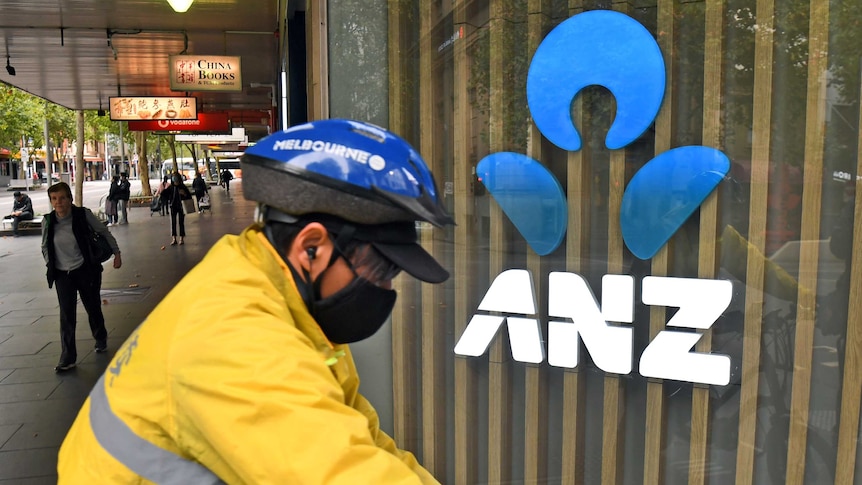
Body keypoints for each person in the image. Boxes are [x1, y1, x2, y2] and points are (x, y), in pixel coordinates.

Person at [57, 119, 454, 483]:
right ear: (311, 248)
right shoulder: (234, 337)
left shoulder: (280, 295)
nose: (386, 290)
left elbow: (360, 440)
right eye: (380, 271)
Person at [41, 182, 122, 372]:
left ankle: (100, 336)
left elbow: (104, 232)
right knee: (66, 315)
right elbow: (45, 245)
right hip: (62, 274)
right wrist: (49, 263)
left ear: (69, 198)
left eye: (62, 198)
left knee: (92, 307)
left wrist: (117, 253)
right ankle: (67, 357)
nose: (58, 202)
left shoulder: (83, 215)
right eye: (54, 199)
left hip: (86, 270)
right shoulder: (48, 221)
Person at [162, 173, 192, 245]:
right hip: (173, 206)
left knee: (181, 222)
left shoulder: (182, 187)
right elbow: (164, 194)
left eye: (175, 178)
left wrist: (184, 194)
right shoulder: (171, 187)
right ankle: (174, 238)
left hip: (181, 207)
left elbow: (189, 196)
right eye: (173, 178)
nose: (174, 179)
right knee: (173, 222)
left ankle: (181, 238)